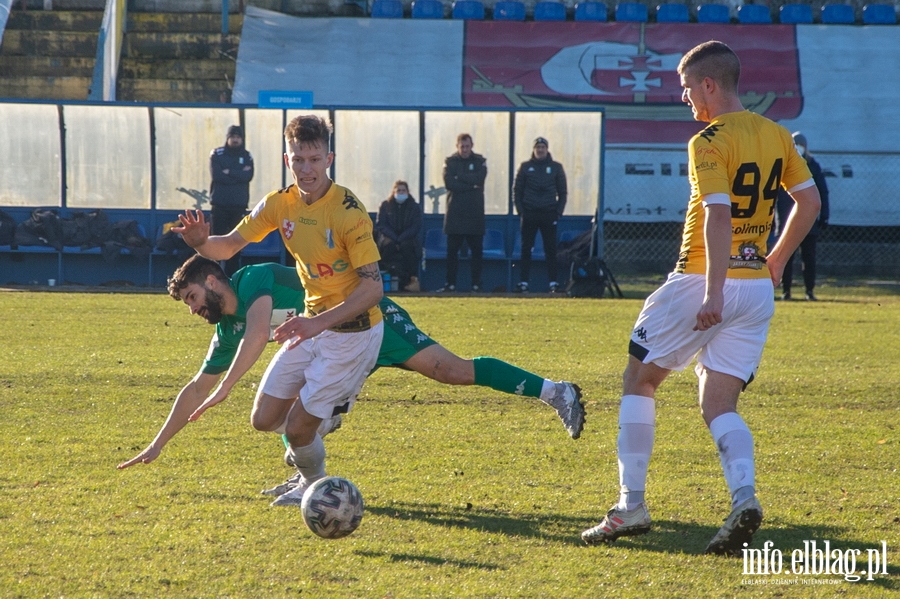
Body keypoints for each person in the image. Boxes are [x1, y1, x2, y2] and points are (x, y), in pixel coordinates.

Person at [580, 41, 821, 556]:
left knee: (639, 380)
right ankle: (744, 497)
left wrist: (712, 288)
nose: (685, 97)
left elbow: (716, 214)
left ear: (710, 84)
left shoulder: (708, 140)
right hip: (756, 289)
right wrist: (776, 261)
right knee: (718, 401)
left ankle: (631, 506)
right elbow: (809, 200)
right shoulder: (777, 134)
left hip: (701, 280)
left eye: (688, 87)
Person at [117, 257, 586, 483]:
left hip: (366, 322)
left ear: (213, 281)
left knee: (453, 371)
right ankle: (312, 464)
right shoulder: (226, 332)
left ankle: (555, 391)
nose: (194, 310)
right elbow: (195, 388)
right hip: (330, 352)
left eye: (194, 299)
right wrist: (156, 445)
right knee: (268, 416)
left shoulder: (254, 280)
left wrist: (227, 389)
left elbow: (260, 333)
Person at [173, 114, 385, 508]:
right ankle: (324, 422)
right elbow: (229, 245)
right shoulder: (279, 203)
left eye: (315, 159)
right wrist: (201, 243)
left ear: (329, 159)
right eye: (298, 160)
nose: (307, 169)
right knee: (264, 418)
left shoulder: (348, 213)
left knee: (300, 426)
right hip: (312, 324)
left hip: (353, 331)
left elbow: (374, 288)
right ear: (287, 160)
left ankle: (315, 486)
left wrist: (315, 322)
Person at [775, 132, 830, 301]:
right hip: (785, 220)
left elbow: (822, 191)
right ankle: (786, 291)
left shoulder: (813, 165)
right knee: (785, 257)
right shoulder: (781, 164)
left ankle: (809, 291)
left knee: (809, 257)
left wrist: (824, 216)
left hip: (808, 220)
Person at [513, 137, 568, 293]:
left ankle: (553, 283)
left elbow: (563, 192)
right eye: (538, 147)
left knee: (550, 250)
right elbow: (517, 190)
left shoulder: (556, 167)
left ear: (547, 149)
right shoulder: (525, 167)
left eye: (543, 147)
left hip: (549, 214)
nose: (540, 150)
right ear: (534, 149)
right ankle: (523, 282)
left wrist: (558, 212)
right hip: (529, 213)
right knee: (526, 249)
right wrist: (521, 211)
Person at [438, 133, 487, 292]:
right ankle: (450, 284)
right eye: (462, 146)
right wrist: (471, 186)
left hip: (475, 215)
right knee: (452, 253)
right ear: (457, 146)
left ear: (472, 145)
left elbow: (480, 178)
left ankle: (476, 284)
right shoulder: (450, 162)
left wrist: (460, 177)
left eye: (467, 146)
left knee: (476, 253)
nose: (465, 149)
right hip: (455, 215)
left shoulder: (480, 161)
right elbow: (450, 184)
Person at [209, 125, 254, 275]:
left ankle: (232, 278)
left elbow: (248, 176)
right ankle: (213, 277)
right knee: (216, 243)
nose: (235, 140)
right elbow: (217, 176)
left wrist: (229, 172)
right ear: (228, 138)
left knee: (235, 244)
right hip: (220, 206)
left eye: (238, 137)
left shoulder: (247, 156)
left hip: (238, 207)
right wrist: (238, 174)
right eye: (232, 137)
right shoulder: (217, 154)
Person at [375, 180, 423, 292]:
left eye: (403, 190)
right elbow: (381, 225)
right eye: (398, 190)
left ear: (407, 191)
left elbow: (415, 226)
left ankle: (410, 280)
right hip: (389, 238)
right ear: (394, 191)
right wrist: (395, 239)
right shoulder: (385, 205)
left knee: (407, 247)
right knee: (388, 247)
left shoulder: (414, 207)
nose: (401, 192)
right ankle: (383, 278)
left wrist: (401, 239)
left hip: (408, 239)